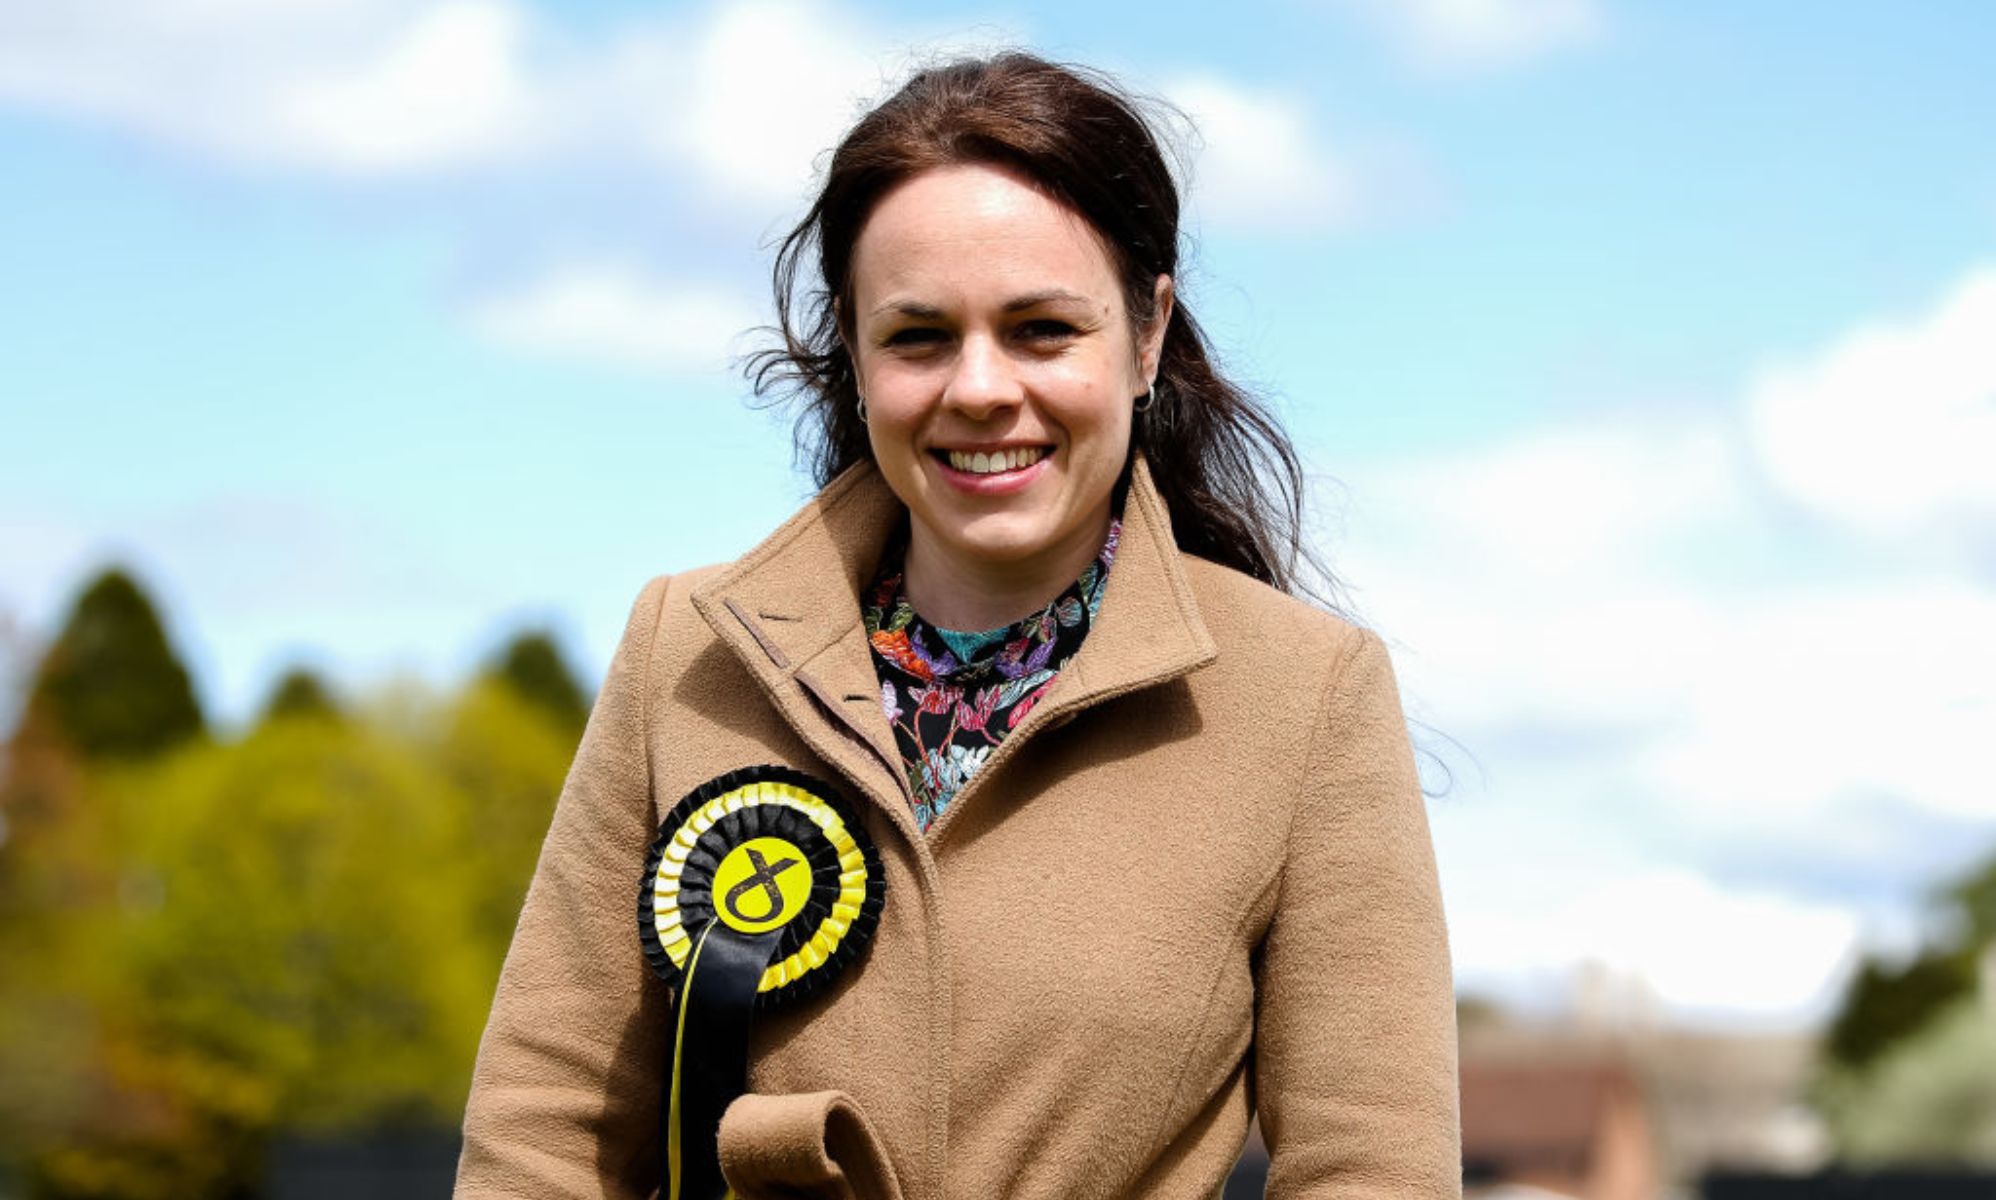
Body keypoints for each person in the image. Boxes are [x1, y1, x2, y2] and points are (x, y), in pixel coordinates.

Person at [454, 52, 1459, 1200]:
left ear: (1145, 334)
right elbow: (541, 1141)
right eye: (920, 336)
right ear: (855, 352)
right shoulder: (682, 648)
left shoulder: (1309, 694)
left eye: (1040, 329)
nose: (978, 387)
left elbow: (1371, 1172)